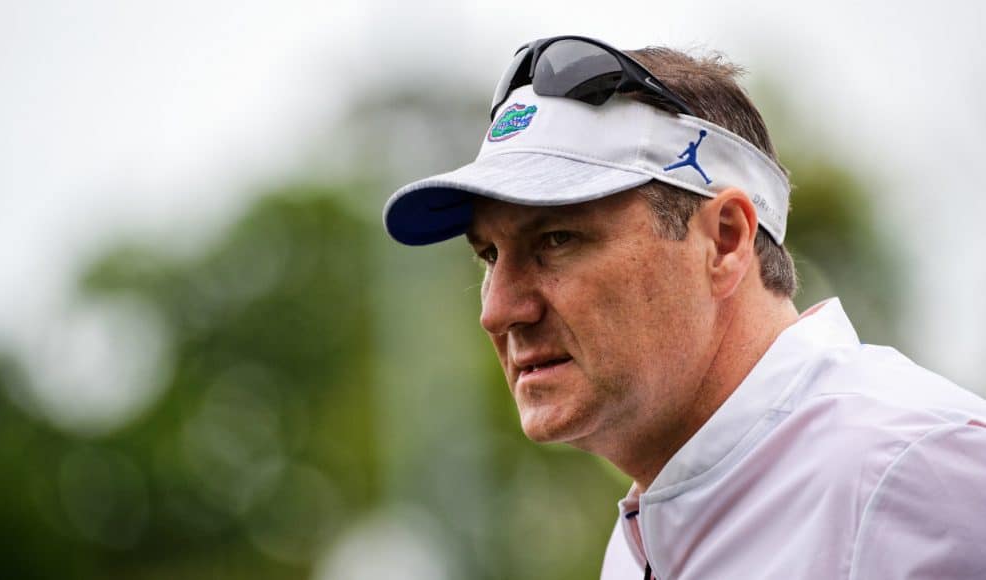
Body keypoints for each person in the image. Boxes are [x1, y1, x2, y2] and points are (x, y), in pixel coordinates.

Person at [382, 36, 986, 579]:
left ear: (725, 240)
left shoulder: (917, 472)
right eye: (489, 255)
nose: (499, 310)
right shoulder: (643, 537)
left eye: (556, 240)